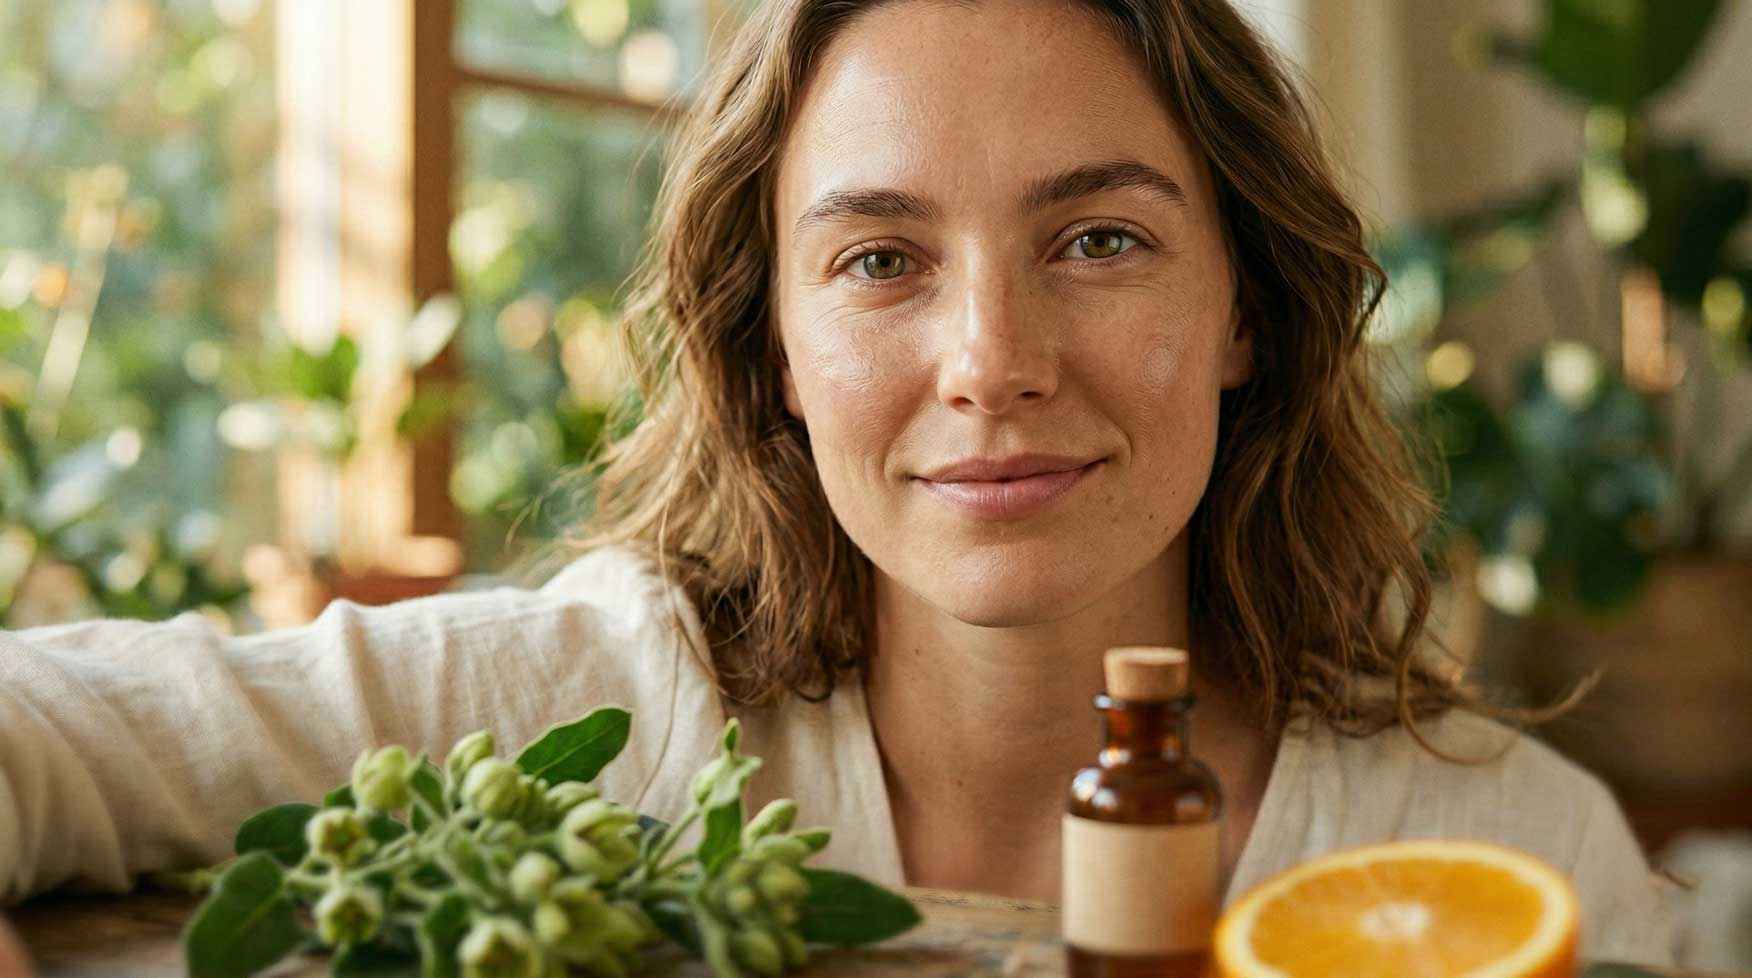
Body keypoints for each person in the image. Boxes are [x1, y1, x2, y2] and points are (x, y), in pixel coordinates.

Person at [0, 0, 1676, 968]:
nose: (991, 358)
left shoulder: (1497, 854)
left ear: (1246, 306)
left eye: (1099, 239)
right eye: (880, 258)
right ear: (771, 353)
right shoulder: (583, 709)